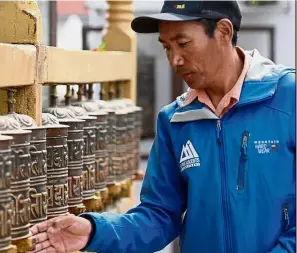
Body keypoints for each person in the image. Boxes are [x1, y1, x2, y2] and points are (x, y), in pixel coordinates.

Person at [30, 1, 296, 253]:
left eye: (183, 44)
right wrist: (93, 231)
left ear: (224, 31)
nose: (174, 60)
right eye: (167, 47)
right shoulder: (175, 120)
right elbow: (159, 215)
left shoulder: (288, 97)